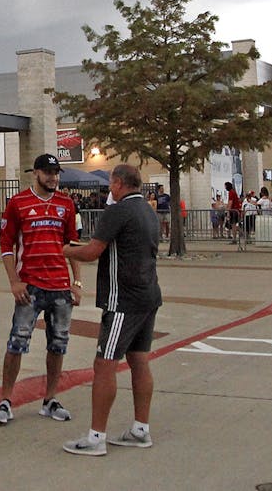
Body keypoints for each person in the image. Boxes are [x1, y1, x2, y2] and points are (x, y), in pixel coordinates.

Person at [61, 164, 161, 456]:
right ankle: (140, 429)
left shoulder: (118, 211)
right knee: (139, 360)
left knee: (104, 364)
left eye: (111, 185)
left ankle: (96, 437)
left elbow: (92, 251)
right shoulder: (148, 211)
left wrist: (64, 250)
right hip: (148, 295)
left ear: (118, 183)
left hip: (123, 300)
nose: (109, 191)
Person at [0, 153, 82, 428]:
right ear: (36, 174)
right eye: (48, 172)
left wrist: (77, 282)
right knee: (17, 342)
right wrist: (14, 282)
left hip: (60, 287)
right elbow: (6, 246)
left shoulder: (66, 204)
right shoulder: (18, 203)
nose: (53, 177)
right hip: (29, 285)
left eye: (56, 173)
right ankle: (6, 400)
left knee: (58, 344)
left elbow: (72, 245)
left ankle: (50, 399)